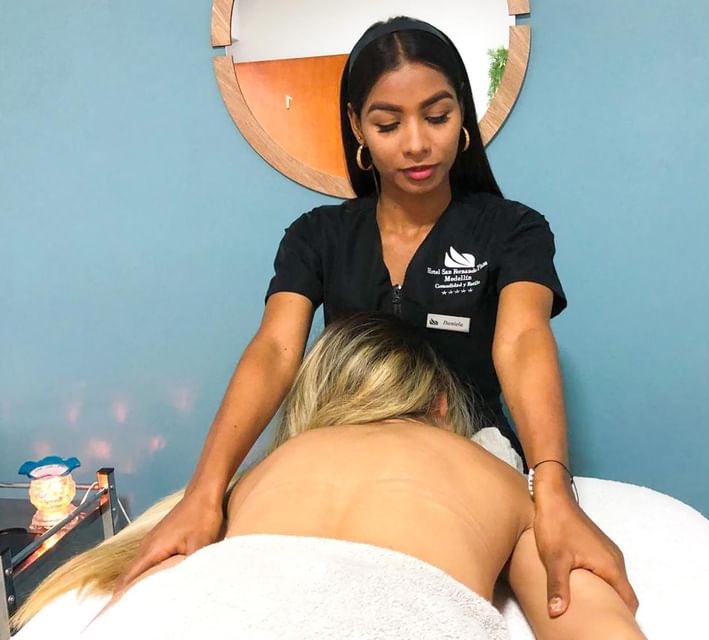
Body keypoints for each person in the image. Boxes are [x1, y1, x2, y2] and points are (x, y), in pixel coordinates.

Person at [118, 16, 637, 618]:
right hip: (340, 443)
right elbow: (275, 351)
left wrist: (553, 491)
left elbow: (521, 342)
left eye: (438, 116)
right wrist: (204, 493)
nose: (416, 143)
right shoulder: (319, 236)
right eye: (388, 124)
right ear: (357, 127)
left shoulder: (511, 229)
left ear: (463, 117)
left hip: (469, 444)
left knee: (562, 581)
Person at [13, 314, 645, 640]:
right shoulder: (492, 472)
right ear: (443, 404)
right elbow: (583, 618)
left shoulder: (263, 473)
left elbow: (157, 592)